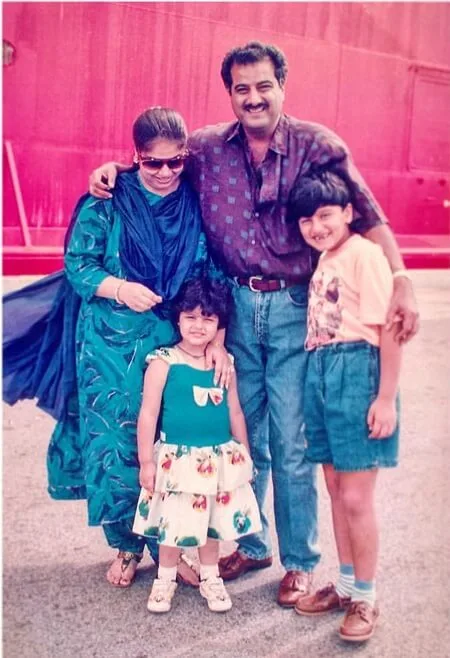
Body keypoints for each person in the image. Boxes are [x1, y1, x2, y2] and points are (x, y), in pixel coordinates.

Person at [88, 41, 419, 606]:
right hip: (236, 306)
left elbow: (367, 211)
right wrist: (116, 169)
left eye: (263, 85)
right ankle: (252, 542)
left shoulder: (318, 144)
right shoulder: (209, 146)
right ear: (230, 93)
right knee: (243, 434)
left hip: (294, 305)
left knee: (289, 440)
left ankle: (298, 562)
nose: (253, 97)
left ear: (281, 86)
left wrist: (402, 277)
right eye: (241, 88)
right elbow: (160, 162)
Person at [3, 106, 231, 590]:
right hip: (107, 346)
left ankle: (171, 546)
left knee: (172, 448)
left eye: (175, 162)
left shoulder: (193, 202)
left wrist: (219, 341)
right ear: (135, 157)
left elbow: (210, 276)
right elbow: (79, 264)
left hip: (173, 343)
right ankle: (128, 547)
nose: (166, 172)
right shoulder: (105, 201)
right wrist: (119, 287)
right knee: (116, 447)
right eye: (153, 163)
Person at [288, 171, 401, 642]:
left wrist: (386, 398)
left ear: (349, 214)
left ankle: (367, 599)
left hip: (358, 371)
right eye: (306, 220)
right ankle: (347, 583)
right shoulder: (327, 259)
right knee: (335, 489)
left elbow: (390, 327)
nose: (316, 226)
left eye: (325, 216)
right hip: (321, 371)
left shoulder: (364, 255)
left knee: (356, 497)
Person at [132, 277, 261, 613]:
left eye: (208, 319)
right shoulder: (163, 361)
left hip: (216, 458)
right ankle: (165, 578)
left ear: (218, 324)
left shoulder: (223, 363)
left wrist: (243, 453)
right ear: (178, 318)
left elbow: (234, 410)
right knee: (172, 524)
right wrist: (147, 462)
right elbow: (148, 415)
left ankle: (211, 576)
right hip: (177, 460)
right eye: (190, 317)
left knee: (211, 523)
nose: (198, 326)